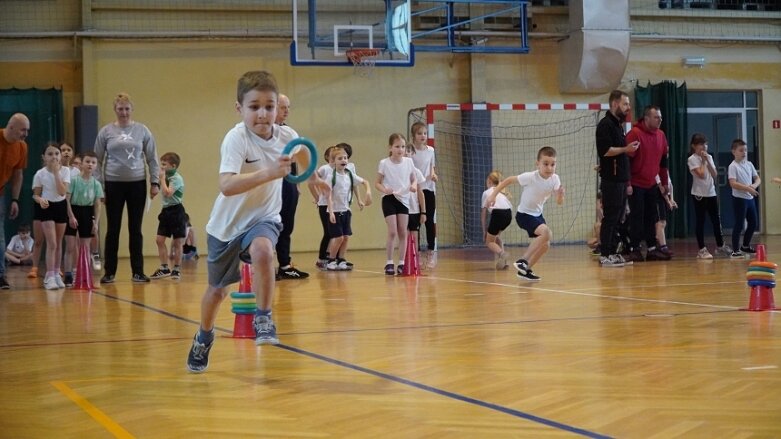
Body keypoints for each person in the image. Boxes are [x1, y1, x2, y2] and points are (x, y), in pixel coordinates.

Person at [186, 70, 328, 373]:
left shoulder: (287, 136)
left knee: (264, 251)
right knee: (217, 292)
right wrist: (269, 173)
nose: (262, 114)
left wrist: (314, 178)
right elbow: (226, 185)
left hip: (264, 218)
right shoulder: (236, 138)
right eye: (254, 107)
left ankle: (263, 317)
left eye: (269, 106)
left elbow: (302, 154)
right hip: (226, 226)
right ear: (240, 109)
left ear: (278, 108)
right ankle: (204, 335)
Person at [94, 92, 160, 284]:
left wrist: (154, 182)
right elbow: (97, 159)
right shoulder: (106, 132)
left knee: (135, 228)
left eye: (127, 108)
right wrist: (100, 186)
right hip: (113, 184)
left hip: (137, 183)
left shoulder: (142, 130)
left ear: (132, 109)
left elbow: (152, 158)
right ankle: (109, 272)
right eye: (120, 109)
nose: (124, 112)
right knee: (113, 229)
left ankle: (137, 271)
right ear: (115, 110)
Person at [486, 146, 564, 282]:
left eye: (553, 164)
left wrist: (560, 196)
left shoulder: (555, 179)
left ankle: (525, 271)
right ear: (537, 164)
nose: (549, 168)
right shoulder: (530, 177)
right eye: (545, 164)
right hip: (524, 215)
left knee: (546, 244)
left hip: (537, 215)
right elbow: (508, 180)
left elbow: (559, 202)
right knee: (547, 233)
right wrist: (493, 195)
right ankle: (523, 260)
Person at [595, 90, 639, 268]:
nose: (628, 107)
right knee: (610, 217)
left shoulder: (618, 125)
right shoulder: (605, 125)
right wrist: (626, 149)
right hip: (611, 180)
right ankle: (605, 254)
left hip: (620, 179)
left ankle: (612, 252)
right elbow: (605, 151)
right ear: (615, 104)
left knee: (618, 217)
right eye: (625, 104)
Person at [624, 105, 671, 262]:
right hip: (636, 183)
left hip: (651, 183)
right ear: (646, 118)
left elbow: (663, 163)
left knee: (652, 217)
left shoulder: (661, 135)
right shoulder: (634, 134)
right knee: (637, 217)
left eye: (661, 117)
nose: (660, 120)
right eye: (656, 117)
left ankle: (651, 249)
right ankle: (635, 248)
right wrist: (628, 183)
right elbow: (627, 161)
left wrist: (664, 183)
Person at [274, 93, 309, 280]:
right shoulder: (265, 133)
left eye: (288, 107)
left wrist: (296, 182)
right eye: (282, 106)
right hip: (271, 183)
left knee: (286, 224)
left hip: (288, 182)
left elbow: (295, 157)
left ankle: (285, 265)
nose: (286, 110)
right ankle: (266, 265)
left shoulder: (289, 132)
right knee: (270, 223)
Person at [375, 133, 418, 275]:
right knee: (392, 231)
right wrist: (384, 189)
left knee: (402, 231)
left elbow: (414, 179)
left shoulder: (409, 162)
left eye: (403, 147)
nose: (400, 149)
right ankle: (389, 262)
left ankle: (402, 263)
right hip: (389, 198)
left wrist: (413, 186)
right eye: (397, 146)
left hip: (404, 199)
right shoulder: (384, 163)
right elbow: (377, 183)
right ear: (390, 148)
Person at [32, 142, 71, 290]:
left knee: (59, 242)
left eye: (56, 153)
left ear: (60, 156)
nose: (54, 157)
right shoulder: (39, 174)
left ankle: (55, 274)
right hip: (46, 207)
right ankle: (48, 276)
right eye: (50, 154)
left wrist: (56, 172)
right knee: (52, 243)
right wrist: (40, 199)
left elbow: (62, 192)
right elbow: (35, 195)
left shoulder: (66, 171)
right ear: (44, 157)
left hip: (60, 207)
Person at [687, 133, 730, 259]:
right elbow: (701, 174)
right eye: (700, 144)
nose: (703, 147)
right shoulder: (692, 159)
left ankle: (720, 246)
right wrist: (704, 161)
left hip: (711, 192)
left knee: (716, 220)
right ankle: (702, 249)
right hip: (699, 194)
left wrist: (708, 161)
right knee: (700, 221)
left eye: (705, 144)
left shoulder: (709, 157)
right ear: (694, 146)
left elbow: (714, 174)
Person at [64, 151, 103, 286]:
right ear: (81, 164)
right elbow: (67, 200)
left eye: (93, 162)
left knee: (85, 247)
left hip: (87, 212)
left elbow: (98, 205)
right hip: (73, 210)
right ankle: (68, 275)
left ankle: (85, 274)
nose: (90, 165)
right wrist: (70, 216)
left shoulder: (96, 184)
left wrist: (96, 223)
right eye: (87, 161)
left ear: (96, 166)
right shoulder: (74, 181)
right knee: (70, 246)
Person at [325, 145, 367, 271]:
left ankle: (341, 259)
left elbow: (364, 182)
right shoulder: (331, 177)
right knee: (338, 237)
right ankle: (331, 260)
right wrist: (331, 212)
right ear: (333, 161)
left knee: (346, 237)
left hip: (346, 211)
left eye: (345, 158)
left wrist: (367, 193)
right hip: (335, 211)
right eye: (340, 158)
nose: (343, 160)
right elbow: (329, 196)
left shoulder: (349, 175)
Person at [0, 113, 30, 289]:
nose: (26, 133)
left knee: (0, 236)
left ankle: (1, 275)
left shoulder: (22, 147)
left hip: (1, 194)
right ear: (11, 127)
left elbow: (18, 174)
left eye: (27, 130)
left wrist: (15, 199)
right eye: (23, 130)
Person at [151, 152, 187, 280]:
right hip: (166, 211)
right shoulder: (166, 176)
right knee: (159, 240)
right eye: (161, 164)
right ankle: (164, 267)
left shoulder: (176, 178)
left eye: (164, 164)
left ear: (173, 165)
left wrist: (161, 179)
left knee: (177, 242)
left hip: (176, 211)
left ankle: (176, 269)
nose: (162, 167)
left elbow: (168, 193)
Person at [409, 122, 438, 268]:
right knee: (415, 221)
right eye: (419, 133)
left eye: (425, 133)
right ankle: (416, 253)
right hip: (414, 190)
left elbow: (432, 167)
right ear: (413, 135)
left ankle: (431, 252)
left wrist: (433, 175)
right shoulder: (410, 151)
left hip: (428, 188)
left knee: (429, 220)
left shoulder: (431, 150)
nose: (423, 136)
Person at [727, 138, 761, 259]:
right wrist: (748, 189)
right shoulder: (733, 166)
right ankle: (735, 250)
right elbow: (733, 183)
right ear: (734, 151)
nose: (744, 152)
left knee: (753, 222)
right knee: (739, 224)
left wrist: (753, 186)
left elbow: (758, 179)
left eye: (745, 150)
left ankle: (745, 246)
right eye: (741, 150)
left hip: (750, 198)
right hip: (739, 199)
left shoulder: (749, 164)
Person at [480, 171, 512, 270]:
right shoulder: (501, 192)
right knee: (496, 237)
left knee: (489, 242)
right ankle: (503, 262)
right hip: (508, 215)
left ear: (489, 181)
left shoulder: (486, 192)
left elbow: (484, 213)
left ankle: (502, 253)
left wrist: (484, 230)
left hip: (498, 214)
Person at [654, 175, 677, 257]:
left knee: (663, 223)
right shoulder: (656, 170)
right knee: (661, 222)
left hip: (664, 197)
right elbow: (660, 186)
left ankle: (659, 246)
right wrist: (668, 200)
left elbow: (670, 185)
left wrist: (672, 199)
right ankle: (662, 247)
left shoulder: (665, 170)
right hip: (659, 196)